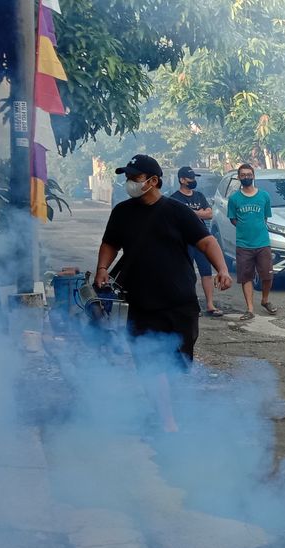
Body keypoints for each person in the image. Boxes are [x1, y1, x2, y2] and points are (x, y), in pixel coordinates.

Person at [95, 154, 233, 432]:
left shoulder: (177, 211)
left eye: (135, 178)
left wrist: (223, 269)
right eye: (129, 178)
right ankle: (166, 420)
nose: (130, 183)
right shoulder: (122, 212)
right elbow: (110, 243)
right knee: (149, 361)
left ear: (153, 181)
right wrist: (101, 268)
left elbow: (206, 241)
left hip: (179, 303)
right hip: (140, 303)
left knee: (179, 363)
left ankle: (171, 408)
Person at [168, 166, 223, 317]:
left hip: (202, 239)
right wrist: (200, 213)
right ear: (182, 180)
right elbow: (176, 218)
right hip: (184, 241)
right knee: (187, 273)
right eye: (190, 178)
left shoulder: (199, 196)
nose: (193, 181)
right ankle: (191, 303)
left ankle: (210, 304)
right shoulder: (174, 198)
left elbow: (210, 214)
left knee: (206, 272)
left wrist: (190, 213)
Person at [226, 163, 275, 321]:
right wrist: (245, 228)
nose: (246, 177)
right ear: (239, 177)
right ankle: (250, 309)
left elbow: (265, 217)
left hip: (262, 242)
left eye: (249, 174)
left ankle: (265, 300)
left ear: (253, 176)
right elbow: (233, 219)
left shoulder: (264, 196)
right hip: (243, 244)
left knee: (267, 275)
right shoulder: (234, 199)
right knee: (246, 277)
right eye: (243, 175)